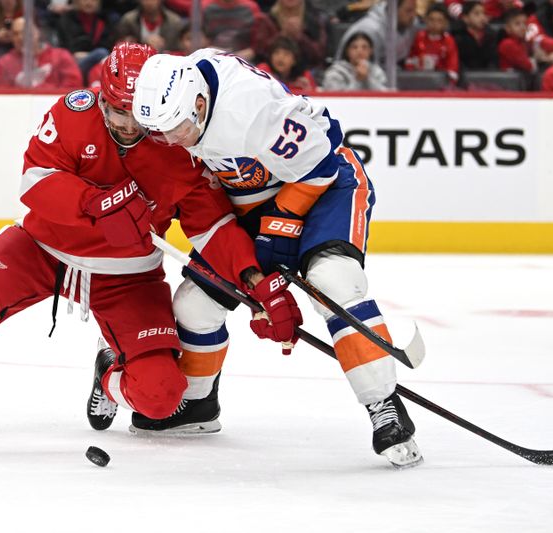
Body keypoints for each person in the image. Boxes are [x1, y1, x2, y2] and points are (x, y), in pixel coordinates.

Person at [0, 42, 301, 438]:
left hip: (128, 277)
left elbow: (214, 228)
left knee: (161, 395)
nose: (126, 125)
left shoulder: (181, 145)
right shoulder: (73, 113)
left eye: (137, 114)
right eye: (115, 110)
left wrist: (255, 279)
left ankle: (109, 372)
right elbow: (34, 180)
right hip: (42, 250)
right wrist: (97, 203)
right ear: (100, 97)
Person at [131, 49, 423, 468]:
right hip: (251, 204)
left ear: (199, 104)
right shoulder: (178, 99)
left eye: (175, 128)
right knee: (194, 305)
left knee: (332, 283)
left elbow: (320, 164)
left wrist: (275, 241)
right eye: (159, 132)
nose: (171, 140)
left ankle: (384, 404)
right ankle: (197, 405)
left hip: (323, 188)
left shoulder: (248, 111)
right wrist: (257, 278)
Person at [0, 16, 83, 89]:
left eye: (25, 32)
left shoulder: (61, 56)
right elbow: (3, 93)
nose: (20, 38)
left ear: (37, 32)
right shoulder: (5, 62)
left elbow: (73, 86)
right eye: (15, 34)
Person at [336, 0, 420, 67]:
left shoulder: (412, 25)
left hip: (391, 77)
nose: (413, 15)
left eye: (415, 10)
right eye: (408, 11)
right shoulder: (370, 30)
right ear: (392, 10)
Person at [405, 3, 460, 85]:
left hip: (441, 85)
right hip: (419, 81)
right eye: (431, 19)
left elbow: (453, 68)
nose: (435, 24)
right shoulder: (419, 37)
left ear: (445, 23)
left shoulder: (449, 41)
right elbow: (409, 61)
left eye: (439, 20)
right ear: (426, 20)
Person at [321, 31, 389, 91]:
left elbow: (384, 95)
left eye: (364, 47)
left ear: (371, 51)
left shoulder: (376, 71)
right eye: (354, 47)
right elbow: (334, 98)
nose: (359, 51)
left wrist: (367, 79)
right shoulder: (336, 72)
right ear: (347, 51)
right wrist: (358, 80)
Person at [115, 0, 185, 52]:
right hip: (137, 60)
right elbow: (118, 46)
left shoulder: (174, 21)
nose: (149, 2)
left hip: (166, 63)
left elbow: (180, 49)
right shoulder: (128, 20)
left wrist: (163, 46)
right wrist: (143, 44)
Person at [453, 1, 497, 71]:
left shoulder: (491, 35)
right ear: (465, 18)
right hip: (465, 77)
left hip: (488, 77)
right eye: (477, 14)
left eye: (484, 13)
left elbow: (493, 61)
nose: (482, 17)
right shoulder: (457, 36)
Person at [498, 8, 536, 73]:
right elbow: (528, 66)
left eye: (524, 23)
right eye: (517, 24)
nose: (522, 27)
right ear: (508, 28)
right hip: (508, 81)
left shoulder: (523, 42)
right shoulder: (507, 44)